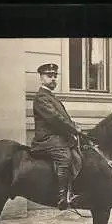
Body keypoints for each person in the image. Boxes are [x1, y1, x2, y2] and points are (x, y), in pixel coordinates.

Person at [30, 63, 83, 210]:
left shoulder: (51, 96)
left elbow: (62, 117)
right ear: (41, 78)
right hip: (47, 139)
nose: (53, 78)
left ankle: (75, 190)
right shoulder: (41, 97)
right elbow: (54, 118)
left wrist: (74, 126)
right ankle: (62, 197)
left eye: (55, 76)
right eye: (49, 76)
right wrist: (73, 129)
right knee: (64, 157)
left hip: (57, 137)